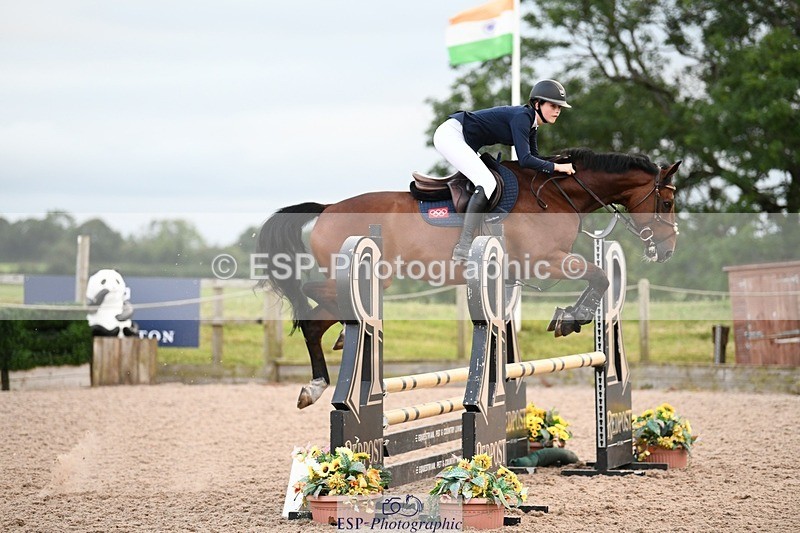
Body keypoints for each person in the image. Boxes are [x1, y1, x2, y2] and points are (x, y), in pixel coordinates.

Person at [433, 79, 575, 261]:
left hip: (464, 140)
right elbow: (525, 160)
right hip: (451, 135)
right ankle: (464, 245)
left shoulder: (532, 124)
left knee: (488, 180)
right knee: (487, 182)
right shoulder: (523, 118)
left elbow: (535, 158)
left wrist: (559, 165)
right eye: (553, 105)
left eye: (560, 107)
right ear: (537, 104)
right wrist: (557, 167)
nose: (557, 111)